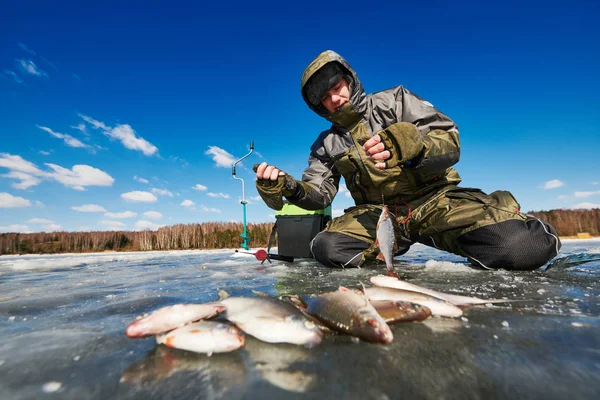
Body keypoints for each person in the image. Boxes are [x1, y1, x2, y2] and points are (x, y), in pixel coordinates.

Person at [255, 50, 561, 270]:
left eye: (336, 88)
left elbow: (450, 142)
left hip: (435, 202)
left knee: (524, 246)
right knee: (327, 247)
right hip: (378, 216)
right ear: (318, 107)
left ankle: (492, 230)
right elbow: (318, 193)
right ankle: (391, 248)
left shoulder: (396, 101)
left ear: (349, 80)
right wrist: (289, 187)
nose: (334, 99)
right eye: (325, 97)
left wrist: (412, 147)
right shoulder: (326, 145)